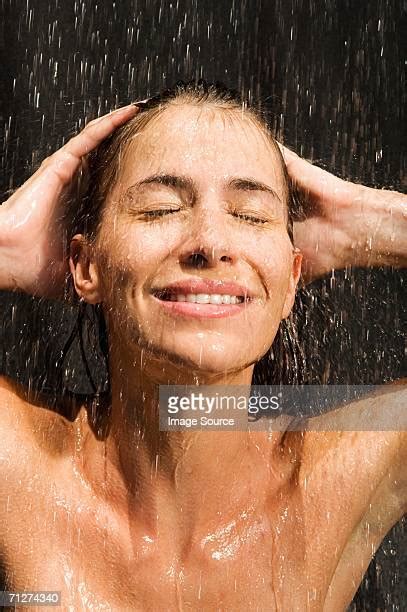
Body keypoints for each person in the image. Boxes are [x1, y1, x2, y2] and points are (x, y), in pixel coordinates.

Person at [0, 81, 405, 610]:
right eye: (160, 209)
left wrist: (375, 226)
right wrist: (5, 245)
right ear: (86, 266)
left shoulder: (334, 480)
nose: (211, 244)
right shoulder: (20, 468)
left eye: (251, 216)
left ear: (292, 280)